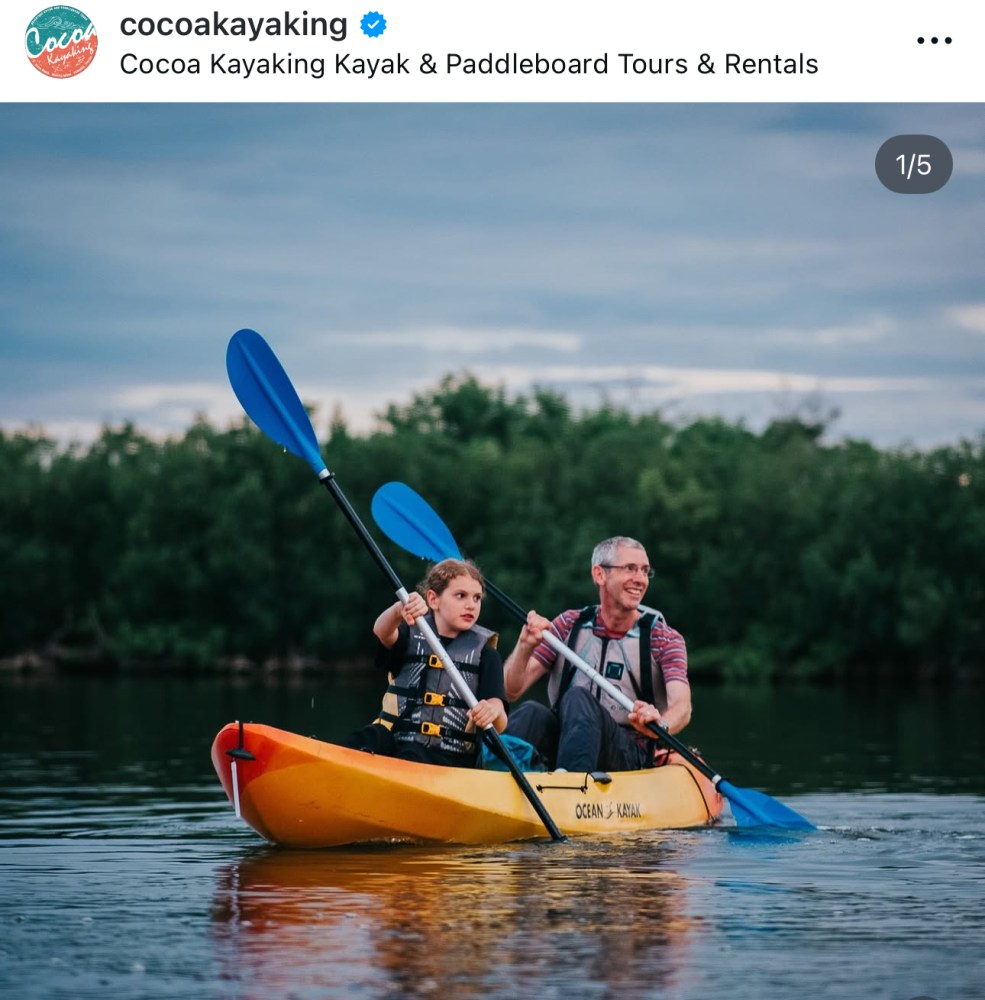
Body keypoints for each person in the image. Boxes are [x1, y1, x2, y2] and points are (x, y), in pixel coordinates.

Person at [503, 536, 691, 773]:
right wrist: (524, 647)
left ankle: (570, 788)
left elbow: (682, 707)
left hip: (628, 752)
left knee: (578, 698)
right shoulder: (568, 625)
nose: (640, 579)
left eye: (645, 571)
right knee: (532, 712)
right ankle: (487, 775)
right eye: (630, 569)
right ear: (600, 575)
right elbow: (510, 691)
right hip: (567, 741)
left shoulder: (663, 637)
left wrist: (660, 725)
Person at [344, 558, 507, 768]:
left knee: (414, 753)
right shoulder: (410, 634)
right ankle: (328, 763)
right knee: (373, 735)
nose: (471, 605)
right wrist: (398, 609)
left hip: (451, 760)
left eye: (477, 598)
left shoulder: (486, 654)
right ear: (433, 599)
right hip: (398, 744)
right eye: (461, 596)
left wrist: (492, 711)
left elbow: (500, 719)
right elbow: (382, 632)